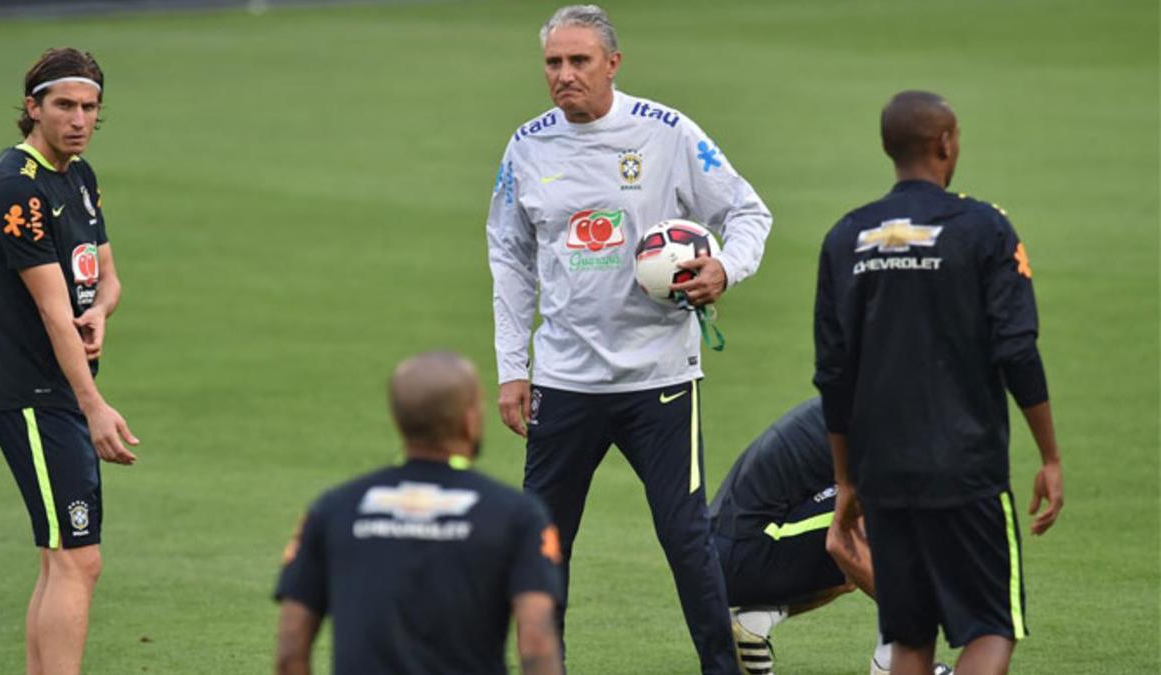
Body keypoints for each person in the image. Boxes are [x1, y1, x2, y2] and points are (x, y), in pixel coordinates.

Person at [485, 5, 772, 672]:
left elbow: (747, 211)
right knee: (546, 541)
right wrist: (510, 365)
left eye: (579, 61)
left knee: (685, 537)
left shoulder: (667, 134)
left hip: (660, 377)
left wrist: (725, 266)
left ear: (613, 63)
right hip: (564, 378)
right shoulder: (526, 146)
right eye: (553, 63)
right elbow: (508, 254)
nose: (564, 75)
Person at [814, 90, 1064, 675]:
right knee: (990, 630)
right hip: (965, 471)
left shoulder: (844, 237)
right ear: (946, 143)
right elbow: (1017, 350)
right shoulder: (984, 228)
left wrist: (847, 482)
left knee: (910, 642)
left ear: (886, 147)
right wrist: (1049, 455)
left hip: (883, 475)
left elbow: (832, 373)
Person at [0, 48, 139, 675]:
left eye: (89, 107)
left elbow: (107, 278)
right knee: (77, 559)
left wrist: (99, 308)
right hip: (37, 395)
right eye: (64, 105)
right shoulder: (20, 190)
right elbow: (49, 308)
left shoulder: (78, 176)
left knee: (61, 557)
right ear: (32, 108)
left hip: (57, 392)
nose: (78, 119)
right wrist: (94, 407)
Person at [273, 351, 564, 675]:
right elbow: (537, 643)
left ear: (399, 420)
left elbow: (290, 649)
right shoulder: (517, 516)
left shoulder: (333, 509)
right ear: (469, 419)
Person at [710, 398, 952, 675]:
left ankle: (755, 621)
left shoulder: (872, 398)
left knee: (867, 542)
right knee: (888, 524)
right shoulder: (884, 419)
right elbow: (846, 540)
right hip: (744, 549)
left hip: (729, 553)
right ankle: (894, 663)